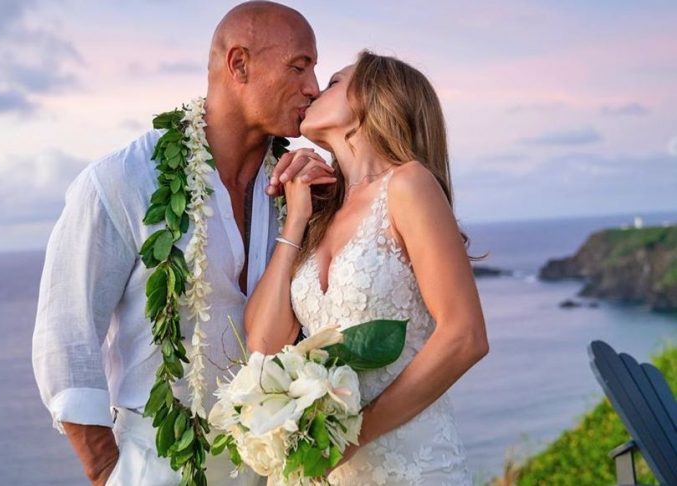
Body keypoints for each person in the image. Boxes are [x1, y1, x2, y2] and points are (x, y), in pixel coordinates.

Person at [31, 2, 332, 485]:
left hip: (273, 468)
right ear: (239, 64)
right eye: (299, 66)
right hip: (157, 463)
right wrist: (109, 469)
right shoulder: (124, 180)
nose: (313, 88)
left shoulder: (299, 186)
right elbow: (66, 333)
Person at [244, 50, 490, 485]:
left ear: (373, 98)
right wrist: (297, 218)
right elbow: (263, 346)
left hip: (412, 467)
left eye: (334, 82)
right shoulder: (319, 213)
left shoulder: (408, 184)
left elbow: (465, 337)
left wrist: (351, 437)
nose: (314, 90)